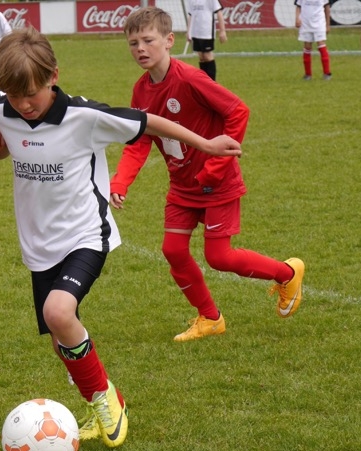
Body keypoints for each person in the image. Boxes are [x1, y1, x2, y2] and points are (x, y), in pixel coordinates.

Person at [0, 27, 242, 448]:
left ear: (53, 76)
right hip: (38, 245)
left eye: (31, 94)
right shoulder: (3, 107)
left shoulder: (85, 117)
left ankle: (104, 398)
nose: (23, 105)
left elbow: (150, 122)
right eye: (13, 95)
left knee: (59, 312)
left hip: (86, 234)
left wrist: (205, 144)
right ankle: (98, 400)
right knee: (61, 337)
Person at [110, 7, 305, 342]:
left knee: (219, 257)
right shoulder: (140, 91)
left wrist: (215, 168)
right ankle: (210, 318)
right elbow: (139, 141)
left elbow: (238, 110)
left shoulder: (190, 79)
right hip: (182, 186)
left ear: (169, 41)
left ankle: (287, 273)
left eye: (148, 40)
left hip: (217, 184)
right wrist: (120, 182)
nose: (140, 48)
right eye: (133, 43)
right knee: (173, 250)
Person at [185, 0, 227, 81]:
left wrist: (222, 31)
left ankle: (212, 82)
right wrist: (188, 31)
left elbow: (219, 12)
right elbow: (190, 15)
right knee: (201, 57)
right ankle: (204, 82)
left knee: (207, 56)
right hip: (195, 33)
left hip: (206, 33)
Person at [295, 0, 332, 80]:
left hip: (319, 23)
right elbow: (298, 6)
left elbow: (327, 8)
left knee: (321, 44)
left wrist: (328, 25)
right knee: (307, 46)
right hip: (305, 24)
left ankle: (327, 73)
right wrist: (297, 18)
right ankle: (308, 74)